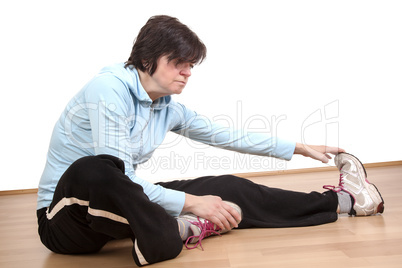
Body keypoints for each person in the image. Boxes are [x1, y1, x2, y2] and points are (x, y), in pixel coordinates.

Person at [36, 15, 384, 266]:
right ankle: (171, 227)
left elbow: (225, 134)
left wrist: (297, 147)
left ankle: (345, 202)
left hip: (118, 206)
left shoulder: (165, 107)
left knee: (225, 188)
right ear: (146, 59)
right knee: (97, 170)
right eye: (178, 64)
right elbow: (116, 179)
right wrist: (191, 201)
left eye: (191, 65)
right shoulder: (108, 89)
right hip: (64, 217)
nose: (187, 73)